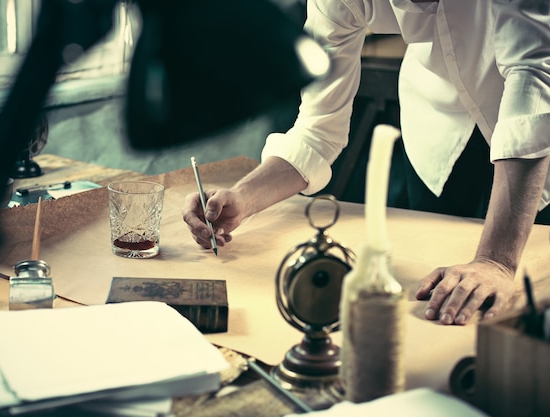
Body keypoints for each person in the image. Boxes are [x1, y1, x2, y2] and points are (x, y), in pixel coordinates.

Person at [182, 0, 550, 326]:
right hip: (438, 136)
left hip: (538, 146)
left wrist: (496, 261)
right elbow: (318, 129)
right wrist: (243, 199)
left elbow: (534, 77)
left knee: (529, 312)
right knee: (438, 311)